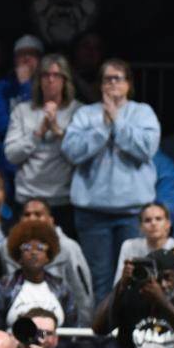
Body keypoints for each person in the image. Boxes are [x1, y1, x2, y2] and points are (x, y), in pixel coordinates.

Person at [61, 58, 160, 302]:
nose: (113, 83)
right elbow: (71, 151)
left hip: (131, 211)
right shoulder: (85, 114)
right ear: (100, 84)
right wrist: (102, 128)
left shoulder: (142, 112)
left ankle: (131, 333)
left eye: (118, 78)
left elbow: (146, 149)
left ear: (128, 84)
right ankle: (101, 337)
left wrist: (117, 121)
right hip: (93, 213)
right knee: (100, 279)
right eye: (107, 78)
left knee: (135, 277)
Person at [3, 53, 82, 236]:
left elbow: (79, 157)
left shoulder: (79, 111)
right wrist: (38, 133)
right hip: (27, 198)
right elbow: (12, 155)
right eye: (45, 75)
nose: (50, 80)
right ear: (38, 80)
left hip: (63, 201)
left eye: (56, 75)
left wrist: (56, 130)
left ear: (65, 80)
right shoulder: (22, 111)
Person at [0, 198, 94, 327]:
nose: (32, 218)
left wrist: (82, 334)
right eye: (27, 215)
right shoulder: (6, 247)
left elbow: (81, 295)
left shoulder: (69, 248)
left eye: (38, 214)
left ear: (51, 219)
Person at [0, 220, 76, 328]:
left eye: (40, 248)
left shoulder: (61, 287)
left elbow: (73, 331)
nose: (33, 252)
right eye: (27, 247)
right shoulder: (4, 286)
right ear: (19, 256)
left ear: (48, 256)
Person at [113, 203, 174, 287]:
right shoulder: (129, 246)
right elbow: (117, 284)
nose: (153, 223)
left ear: (168, 224)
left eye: (158, 219)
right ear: (140, 227)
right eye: (147, 220)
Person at [0, 34, 43, 145]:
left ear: (41, 61)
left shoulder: (50, 86)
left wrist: (26, 87)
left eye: (32, 54)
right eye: (21, 54)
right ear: (14, 60)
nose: (26, 58)